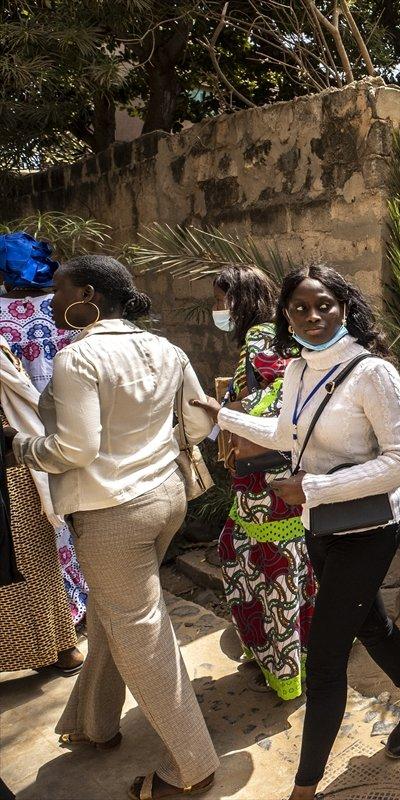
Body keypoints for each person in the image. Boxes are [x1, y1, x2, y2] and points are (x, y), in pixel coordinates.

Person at [196, 264, 400, 800]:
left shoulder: (373, 373)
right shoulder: (300, 369)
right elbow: (284, 433)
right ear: (285, 315)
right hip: (319, 525)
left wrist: (316, 488)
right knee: (367, 621)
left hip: (369, 527)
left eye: (324, 304)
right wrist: (225, 417)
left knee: (324, 660)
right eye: (299, 307)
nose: (313, 316)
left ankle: (304, 789)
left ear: (344, 306)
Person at [5, 255, 219, 799]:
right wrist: (150, 454)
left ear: (90, 296)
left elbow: (75, 449)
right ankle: (95, 724)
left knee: (141, 631)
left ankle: (194, 766)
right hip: (167, 499)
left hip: (111, 514)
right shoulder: (166, 348)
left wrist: (18, 446)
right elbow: (197, 422)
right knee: (115, 615)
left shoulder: (80, 358)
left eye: (60, 291)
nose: (51, 302)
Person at [210, 266, 311, 700]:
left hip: (267, 481)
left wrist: (226, 410)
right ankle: (284, 654)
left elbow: (275, 401)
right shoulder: (277, 336)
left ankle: (286, 668)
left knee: (273, 570)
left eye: (221, 301)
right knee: (250, 556)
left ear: (240, 300)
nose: (217, 310)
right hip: (274, 476)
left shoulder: (261, 339)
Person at [0, 232, 88, 634]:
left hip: (20, 433)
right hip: (73, 421)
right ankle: (84, 596)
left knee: (39, 522)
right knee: (77, 511)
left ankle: (60, 612)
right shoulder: (65, 309)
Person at [0, 338, 81, 677]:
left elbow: (19, 391)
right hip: (13, 464)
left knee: (34, 554)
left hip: (12, 465)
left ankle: (59, 645)